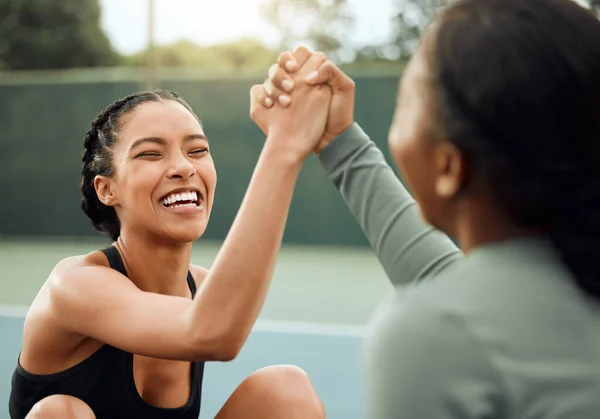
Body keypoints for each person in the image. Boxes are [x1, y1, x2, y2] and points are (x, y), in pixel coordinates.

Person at [257, 0, 600, 417]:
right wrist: (339, 142)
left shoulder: (434, 334)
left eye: (404, 109)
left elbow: (456, 316)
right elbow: (448, 279)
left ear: (449, 165)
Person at [9, 55, 332, 419]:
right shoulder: (73, 286)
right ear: (106, 190)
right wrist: (284, 147)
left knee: (286, 390)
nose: (184, 167)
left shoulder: (205, 292)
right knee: (59, 413)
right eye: (150, 153)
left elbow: (213, 324)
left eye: (198, 150)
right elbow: (213, 332)